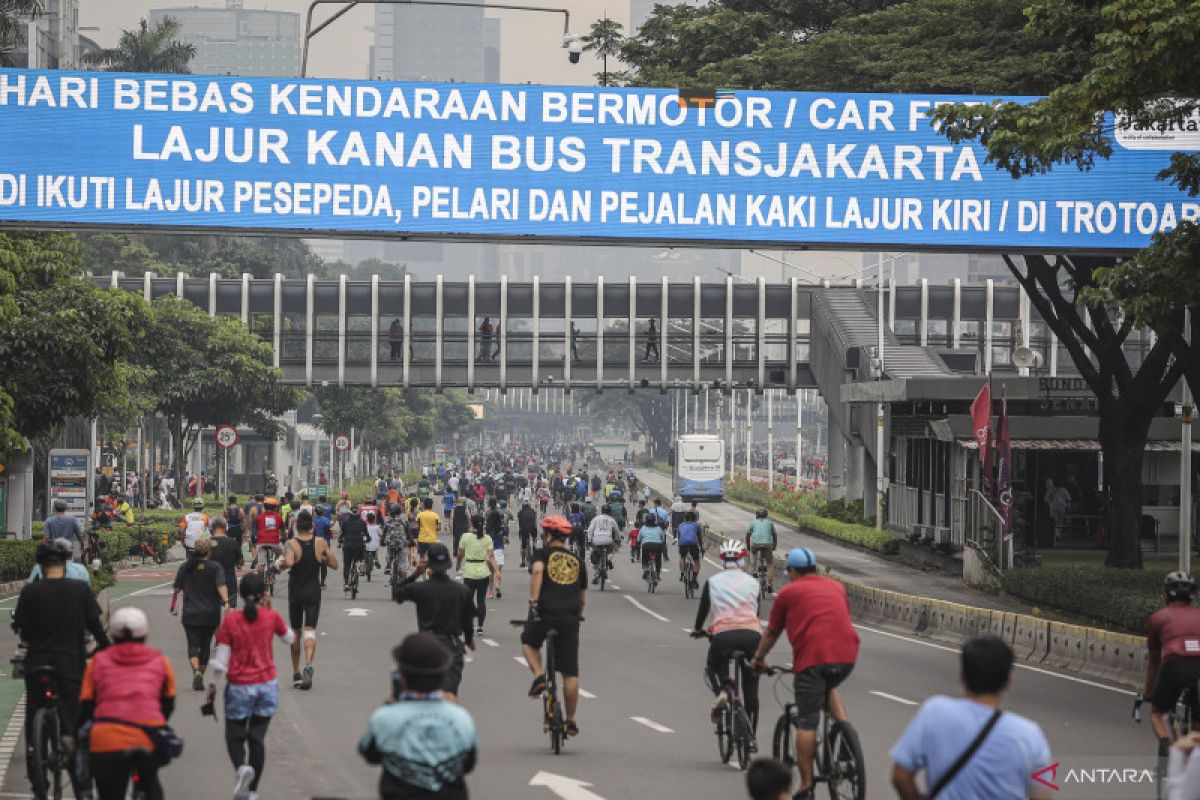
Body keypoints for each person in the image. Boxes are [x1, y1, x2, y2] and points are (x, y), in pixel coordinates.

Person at [751, 548, 859, 800]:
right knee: (828, 687)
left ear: (792, 570)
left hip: (813, 660)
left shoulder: (788, 592)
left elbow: (772, 633)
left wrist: (758, 659)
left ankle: (807, 787)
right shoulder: (836, 587)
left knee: (807, 721)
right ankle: (846, 736)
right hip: (847, 656)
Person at [890, 635, 1053, 800]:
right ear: (1008, 681)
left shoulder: (935, 712)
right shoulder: (1030, 735)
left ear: (961, 674)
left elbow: (900, 777)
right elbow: (1043, 796)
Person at [15, 539, 110, 794]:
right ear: (66, 561)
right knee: (74, 721)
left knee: (34, 711)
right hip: (69, 665)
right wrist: (107, 649)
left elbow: (22, 627)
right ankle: (78, 775)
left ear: (41, 564)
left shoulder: (30, 592)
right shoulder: (80, 590)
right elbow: (95, 625)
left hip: (37, 664)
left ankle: (37, 771)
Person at [205, 573, 294, 800]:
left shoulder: (231, 621)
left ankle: (240, 768)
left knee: (234, 736)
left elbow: (222, 660)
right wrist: (272, 609)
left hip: (239, 687)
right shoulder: (271, 617)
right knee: (257, 738)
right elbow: (290, 639)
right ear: (265, 594)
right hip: (266, 687)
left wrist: (212, 687)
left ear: (241, 595)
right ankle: (252, 791)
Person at [358, 632, 478, 799]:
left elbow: (369, 753)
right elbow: (468, 764)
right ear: (443, 674)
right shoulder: (461, 719)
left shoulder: (385, 718)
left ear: (402, 674)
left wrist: (390, 704)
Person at [78, 607, 176, 800]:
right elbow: (168, 703)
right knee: (151, 783)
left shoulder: (97, 662)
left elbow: (87, 706)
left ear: (112, 635)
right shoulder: (161, 662)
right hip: (148, 736)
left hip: (107, 741)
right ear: (145, 634)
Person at [520, 515, 587, 738]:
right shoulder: (578, 561)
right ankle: (571, 720)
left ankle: (539, 676)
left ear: (547, 535)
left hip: (545, 613)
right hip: (569, 618)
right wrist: (578, 615)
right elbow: (582, 598)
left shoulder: (542, 553)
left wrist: (535, 602)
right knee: (570, 672)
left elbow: (538, 571)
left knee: (529, 642)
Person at [693, 540, 762, 741]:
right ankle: (751, 737)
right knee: (751, 685)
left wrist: (698, 629)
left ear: (722, 560)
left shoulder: (713, 582)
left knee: (712, 667)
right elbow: (756, 612)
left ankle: (722, 691)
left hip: (723, 636)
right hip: (752, 636)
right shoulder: (754, 582)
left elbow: (703, 610)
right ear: (742, 560)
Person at [392, 544, 477, 702]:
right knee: (449, 693)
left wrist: (416, 574)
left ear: (428, 565)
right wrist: (470, 639)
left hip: (426, 645)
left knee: (420, 692)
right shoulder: (462, 591)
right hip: (451, 645)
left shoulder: (421, 589)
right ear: (447, 565)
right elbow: (468, 620)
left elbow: (398, 593)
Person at [277, 510, 336, 692]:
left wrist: (279, 564)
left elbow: (289, 562)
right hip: (313, 592)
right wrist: (322, 558)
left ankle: (296, 673)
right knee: (310, 630)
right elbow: (334, 564)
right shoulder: (320, 543)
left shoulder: (291, 543)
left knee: (296, 632)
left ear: (295, 526)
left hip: (296, 592)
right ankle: (308, 665)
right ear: (312, 526)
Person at [1146, 572, 1200, 748]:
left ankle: (1167, 744)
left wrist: (1149, 693)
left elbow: (1154, 661)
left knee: (1158, 712)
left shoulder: (1157, 618)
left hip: (1174, 664)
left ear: (1166, 594)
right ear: (1192, 597)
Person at [170, 537, 229, 691]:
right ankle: (200, 675)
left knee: (193, 644)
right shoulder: (216, 567)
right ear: (209, 551)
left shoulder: (185, 567)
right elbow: (221, 586)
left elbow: (177, 588)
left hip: (190, 613)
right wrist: (226, 600)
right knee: (205, 646)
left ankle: (196, 671)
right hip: (211, 613)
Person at [457, 517, 496, 636]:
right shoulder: (487, 538)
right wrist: (497, 571)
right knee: (481, 601)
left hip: (469, 572)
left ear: (471, 524)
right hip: (483, 573)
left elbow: (460, 554)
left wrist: (458, 564)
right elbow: (491, 556)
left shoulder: (465, 537)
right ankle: (480, 627)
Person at [209, 517, 244, 610]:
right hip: (229, 579)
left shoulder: (207, 543)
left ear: (212, 528)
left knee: (211, 607)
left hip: (210, 580)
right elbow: (240, 561)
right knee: (230, 606)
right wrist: (238, 563)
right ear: (226, 528)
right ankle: (229, 624)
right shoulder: (232, 542)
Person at [26, 537, 91, 583]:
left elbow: (30, 585)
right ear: (70, 554)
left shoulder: (38, 567)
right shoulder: (81, 569)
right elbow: (88, 589)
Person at [746, 508, 779, 593]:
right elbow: (774, 535)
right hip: (767, 545)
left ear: (756, 515)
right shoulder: (770, 523)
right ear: (766, 516)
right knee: (770, 563)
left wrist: (748, 546)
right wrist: (774, 546)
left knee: (753, 553)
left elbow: (748, 535)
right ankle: (769, 584)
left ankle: (754, 570)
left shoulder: (753, 522)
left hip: (755, 544)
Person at [586, 504, 620, 584]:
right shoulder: (612, 520)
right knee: (612, 550)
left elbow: (590, 530)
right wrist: (618, 540)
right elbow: (617, 531)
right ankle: (608, 560)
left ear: (602, 511)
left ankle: (595, 575)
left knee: (595, 555)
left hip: (597, 540)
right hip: (608, 540)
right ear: (610, 512)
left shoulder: (596, 519)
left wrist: (589, 540)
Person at [339, 508, 369, 593]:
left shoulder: (345, 523)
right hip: (359, 546)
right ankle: (361, 565)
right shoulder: (362, 523)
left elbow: (342, 534)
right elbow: (367, 534)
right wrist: (368, 539)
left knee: (347, 564)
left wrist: (340, 540)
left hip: (348, 546)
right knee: (361, 557)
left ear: (350, 515)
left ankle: (346, 584)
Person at [254, 497, 284, 580]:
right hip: (275, 542)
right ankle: (275, 565)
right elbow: (282, 527)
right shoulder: (278, 517)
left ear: (264, 507)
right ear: (275, 507)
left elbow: (256, 527)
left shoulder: (259, 517)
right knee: (282, 553)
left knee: (261, 563)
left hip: (261, 542)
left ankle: (260, 582)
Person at [485, 498, 508, 599]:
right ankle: (498, 585)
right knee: (498, 571)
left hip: (490, 550)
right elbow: (504, 541)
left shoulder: (487, 530)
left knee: (490, 572)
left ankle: (490, 591)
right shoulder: (501, 530)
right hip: (499, 550)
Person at [676, 510, 703, 589]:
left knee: (682, 557)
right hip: (693, 545)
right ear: (694, 518)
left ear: (685, 518)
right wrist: (702, 548)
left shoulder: (680, 525)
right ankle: (694, 578)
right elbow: (700, 538)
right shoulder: (697, 525)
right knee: (696, 561)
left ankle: (682, 574)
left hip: (682, 544)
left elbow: (679, 537)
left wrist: (679, 547)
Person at [637, 513, 667, 582]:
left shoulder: (643, 528)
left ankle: (646, 568)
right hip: (657, 545)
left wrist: (638, 544)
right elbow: (662, 539)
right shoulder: (659, 528)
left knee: (644, 558)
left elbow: (639, 539)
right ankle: (658, 574)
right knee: (658, 559)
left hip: (646, 545)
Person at [313, 504, 333, 588]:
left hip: (314, 543)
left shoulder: (312, 520)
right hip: (324, 543)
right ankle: (322, 583)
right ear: (323, 512)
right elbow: (327, 531)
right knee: (324, 563)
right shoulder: (326, 520)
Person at [517, 500, 538, 568]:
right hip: (533, 528)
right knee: (534, 537)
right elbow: (534, 520)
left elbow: (520, 522)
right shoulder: (533, 511)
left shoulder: (520, 512)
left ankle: (523, 561)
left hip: (524, 529)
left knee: (523, 545)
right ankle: (534, 544)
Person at [365, 512, 383, 581]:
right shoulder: (377, 527)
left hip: (367, 546)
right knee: (375, 551)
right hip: (375, 546)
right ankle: (376, 560)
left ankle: (364, 562)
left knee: (365, 552)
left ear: (367, 520)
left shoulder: (366, 527)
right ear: (374, 519)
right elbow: (381, 534)